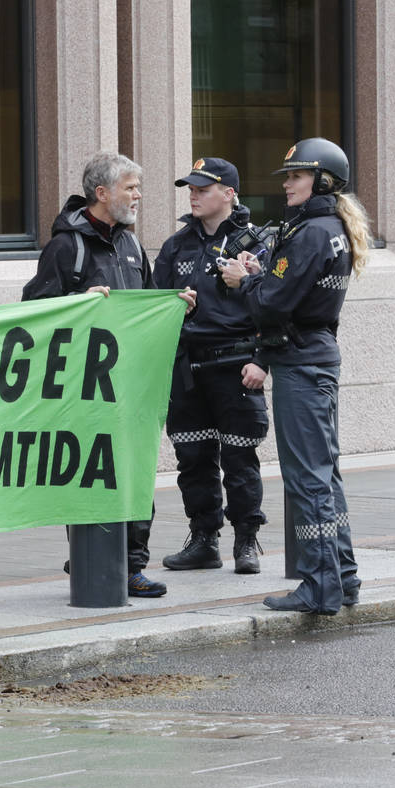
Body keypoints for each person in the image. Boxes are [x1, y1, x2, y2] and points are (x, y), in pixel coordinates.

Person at [22, 151, 195, 598]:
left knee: (135, 474)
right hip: (86, 390)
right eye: (130, 188)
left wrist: (176, 305)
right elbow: (32, 314)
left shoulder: (133, 245)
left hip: (132, 386)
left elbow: (149, 304)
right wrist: (79, 304)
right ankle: (90, 555)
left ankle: (133, 564)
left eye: (138, 187)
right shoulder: (66, 247)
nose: (138, 196)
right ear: (102, 193)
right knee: (90, 474)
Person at [221, 138, 371, 614]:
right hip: (316, 356)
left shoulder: (308, 233)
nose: (287, 184)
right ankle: (342, 576)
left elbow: (271, 304)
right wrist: (264, 273)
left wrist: (245, 281)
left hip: (301, 363)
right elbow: (294, 294)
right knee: (327, 475)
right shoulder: (331, 228)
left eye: (296, 176)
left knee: (307, 479)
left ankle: (319, 585)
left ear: (323, 181)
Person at [154, 158, 268, 575]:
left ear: (229, 194)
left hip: (236, 366)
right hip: (188, 368)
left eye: (204, 188)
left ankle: (246, 541)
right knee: (193, 458)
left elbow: (272, 308)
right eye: (191, 188)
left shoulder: (256, 244)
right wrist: (174, 307)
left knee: (240, 459)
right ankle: (204, 540)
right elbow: (154, 305)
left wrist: (262, 361)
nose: (194, 194)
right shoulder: (176, 245)